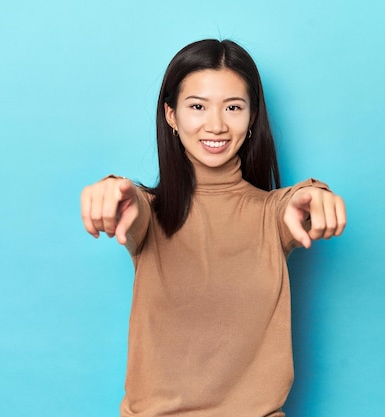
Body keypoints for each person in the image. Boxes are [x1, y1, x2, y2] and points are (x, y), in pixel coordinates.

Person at [80, 39, 346, 417]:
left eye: (233, 107)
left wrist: (314, 194)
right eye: (197, 107)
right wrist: (113, 190)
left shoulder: (273, 214)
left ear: (253, 117)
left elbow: (294, 204)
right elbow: (133, 205)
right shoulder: (149, 213)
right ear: (171, 115)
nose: (216, 124)